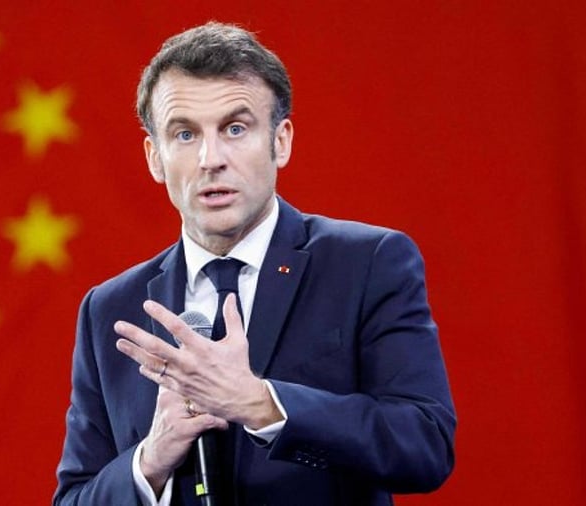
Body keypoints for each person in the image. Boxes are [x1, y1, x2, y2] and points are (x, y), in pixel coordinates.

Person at [53, 21, 455, 506]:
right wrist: (150, 461)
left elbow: (424, 444)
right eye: (185, 134)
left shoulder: (367, 263)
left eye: (235, 128)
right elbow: (74, 497)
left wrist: (261, 404)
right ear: (155, 158)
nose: (210, 159)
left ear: (280, 141)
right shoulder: (111, 308)